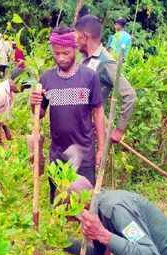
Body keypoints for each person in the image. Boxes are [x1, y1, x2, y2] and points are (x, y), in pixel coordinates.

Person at [29, 25, 107, 203]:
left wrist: (101, 149)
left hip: (84, 154)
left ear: (74, 49)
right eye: (56, 54)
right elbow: (39, 114)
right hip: (58, 156)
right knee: (58, 205)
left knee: (85, 205)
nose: (61, 58)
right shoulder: (47, 79)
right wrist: (34, 103)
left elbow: (98, 113)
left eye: (65, 53)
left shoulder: (89, 77)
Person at [74, 14, 136, 144]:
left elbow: (130, 95)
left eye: (76, 35)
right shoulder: (83, 58)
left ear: (84, 36)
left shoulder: (106, 62)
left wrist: (119, 129)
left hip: (90, 132)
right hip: (75, 126)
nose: (75, 40)